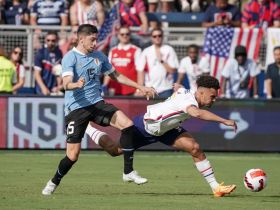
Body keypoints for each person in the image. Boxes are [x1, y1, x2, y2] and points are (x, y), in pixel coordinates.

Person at [41, 24, 156, 195]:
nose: (95, 43)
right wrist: (75, 85)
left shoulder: (99, 56)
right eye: (92, 39)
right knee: (72, 156)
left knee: (128, 125)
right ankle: (53, 182)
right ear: (81, 39)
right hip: (76, 109)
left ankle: (128, 172)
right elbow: (66, 83)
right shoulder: (70, 58)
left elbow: (116, 75)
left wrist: (140, 86)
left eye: (96, 39)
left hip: (97, 103)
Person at [87, 75, 237, 197]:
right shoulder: (189, 100)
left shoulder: (189, 93)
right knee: (114, 150)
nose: (214, 100)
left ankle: (216, 187)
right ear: (201, 92)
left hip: (168, 130)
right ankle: (88, 128)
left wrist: (179, 88)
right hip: (146, 126)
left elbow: (182, 91)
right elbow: (196, 113)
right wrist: (224, 120)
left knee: (195, 148)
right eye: (212, 96)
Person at [138, 27, 179, 98]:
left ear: (162, 36)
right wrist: (139, 89)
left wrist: (162, 61)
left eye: (159, 35)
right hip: (150, 89)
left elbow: (173, 70)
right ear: (151, 38)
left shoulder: (169, 49)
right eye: (154, 36)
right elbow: (140, 71)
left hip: (166, 89)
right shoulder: (146, 51)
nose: (157, 38)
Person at [103, 26, 143, 96]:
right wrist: (105, 85)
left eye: (127, 34)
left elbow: (140, 71)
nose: (125, 36)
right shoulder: (113, 50)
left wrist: (139, 88)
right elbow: (108, 71)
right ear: (118, 35)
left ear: (130, 35)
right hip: (114, 89)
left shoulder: (136, 50)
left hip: (131, 90)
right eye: (122, 34)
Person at [34, 31, 63, 95]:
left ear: (57, 40)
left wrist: (58, 87)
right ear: (45, 40)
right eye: (48, 40)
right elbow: (37, 74)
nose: (50, 42)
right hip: (41, 90)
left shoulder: (59, 52)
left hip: (54, 90)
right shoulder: (41, 53)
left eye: (53, 40)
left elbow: (58, 72)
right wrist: (43, 88)